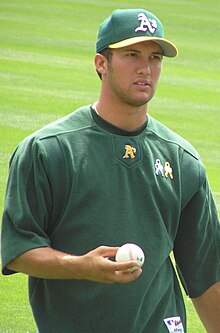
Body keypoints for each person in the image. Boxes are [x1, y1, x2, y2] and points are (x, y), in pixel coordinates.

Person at [1, 8, 220, 333]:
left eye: (155, 57)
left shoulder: (181, 159)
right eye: (132, 54)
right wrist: (79, 267)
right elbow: (18, 248)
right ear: (101, 64)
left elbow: (206, 274)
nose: (146, 68)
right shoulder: (49, 150)